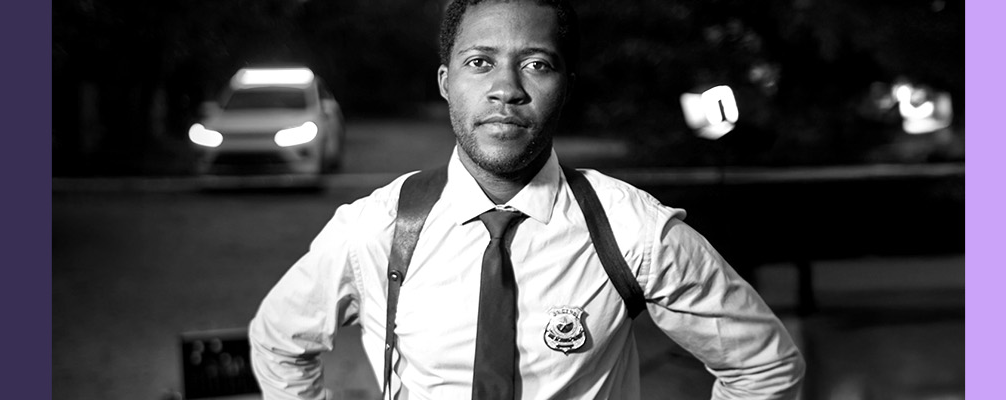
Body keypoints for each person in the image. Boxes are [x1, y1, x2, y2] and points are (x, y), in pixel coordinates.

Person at [246, 1, 805, 399]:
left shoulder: (633, 233)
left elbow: (766, 365)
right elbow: (278, 341)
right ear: (446, 81)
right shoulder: (375, 229)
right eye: (480, 61)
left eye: (536, 64)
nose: (506, 88)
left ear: (567, 83)